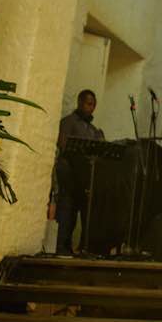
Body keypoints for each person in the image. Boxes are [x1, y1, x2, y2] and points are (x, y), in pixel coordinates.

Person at [51, 89, 105, 254]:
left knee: (82, 213)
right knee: (67, 210)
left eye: (93, 105)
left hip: (85, 177)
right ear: (80, 102)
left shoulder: (93, 129)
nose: (91, 108)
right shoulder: (68, 122)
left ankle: (82, 247)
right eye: (89, 104)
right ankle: (61, 247)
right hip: (69, 174)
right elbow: (63, 144)